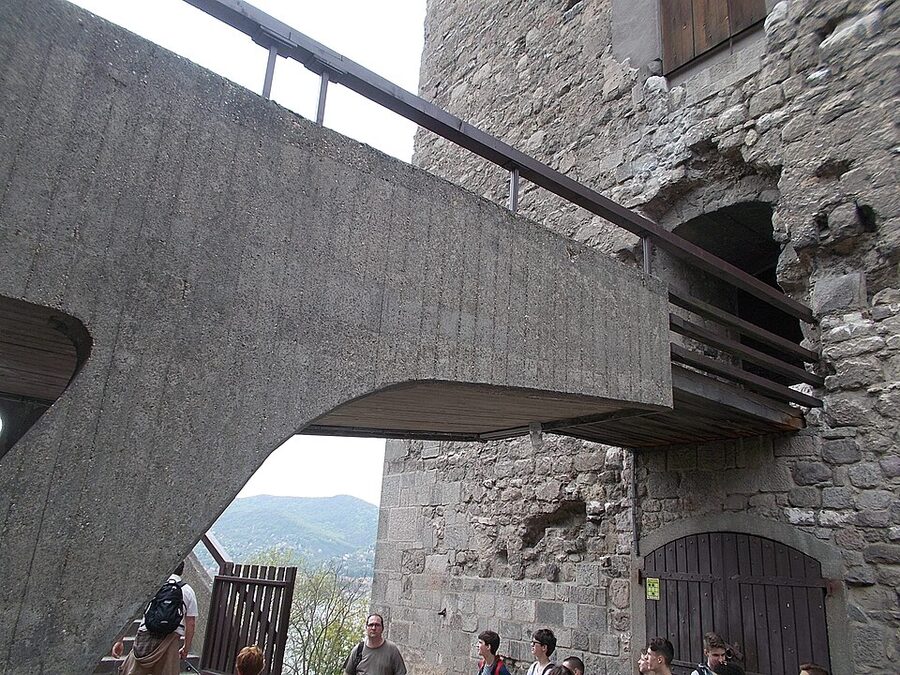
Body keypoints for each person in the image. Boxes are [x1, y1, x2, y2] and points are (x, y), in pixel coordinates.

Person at [112, 561, 199, 675]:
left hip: (146, 636)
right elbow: (191, 623)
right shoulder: (188, 590)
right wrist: (186, 648)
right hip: (171, 639)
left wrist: (120, 640)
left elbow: (130, 614)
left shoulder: (152, 585)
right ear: (182, 571)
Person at [343, 613, 407, 675]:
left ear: (382, 628)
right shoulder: (358, 649)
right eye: (371, 625)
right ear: (366, 628)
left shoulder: (392, 649)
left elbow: (400, 672)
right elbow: (347, 672)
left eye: (377, 625)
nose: (373, 628)